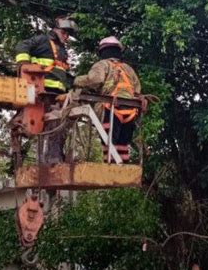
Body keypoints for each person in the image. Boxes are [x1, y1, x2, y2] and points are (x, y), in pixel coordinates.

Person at [15, 17, 78, 163]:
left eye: (68, 35)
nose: (66, 37)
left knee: (60, 125)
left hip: (58, 94)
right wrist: (24, 64)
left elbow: (60, 72)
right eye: (65, 33)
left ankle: (55, 156)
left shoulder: (61, 50)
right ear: (57, 30)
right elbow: (22, 46)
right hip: (45, 92)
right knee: (54, 124)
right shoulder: (43, 40)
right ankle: (53, 158)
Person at [73, 36, 141, 162]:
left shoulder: (102, 65)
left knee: (109, 143)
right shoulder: (128, 69)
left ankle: (111, 171)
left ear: (103, 51)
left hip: (111, 109)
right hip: (130, 111)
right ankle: (123, 171)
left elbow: (94, 80)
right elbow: (137, 90)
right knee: (123, 145)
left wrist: (76, 80)